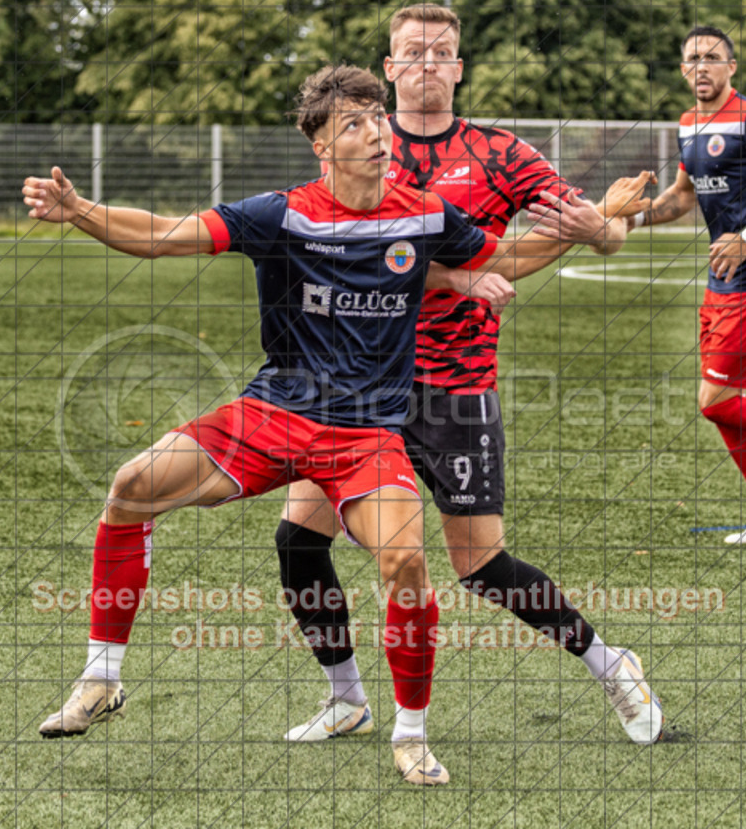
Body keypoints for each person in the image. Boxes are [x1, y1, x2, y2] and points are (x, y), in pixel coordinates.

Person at [28, 64, 523, 786]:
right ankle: (102, 679)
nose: (375, 132)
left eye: (376, 118)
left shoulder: (424, 213)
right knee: (131, 486)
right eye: (352, 123)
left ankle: (409, 733)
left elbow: (497, 255)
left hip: (365, 435)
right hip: (274, 412)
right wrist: (82, 210)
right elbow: (167, 235)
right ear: (321, 145)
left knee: (407, 563)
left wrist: (521, 253)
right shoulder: (283, 212)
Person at [275, 3, 664, 748]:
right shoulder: (362, 153)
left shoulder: (499, 152)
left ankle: (611, 662)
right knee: (298, 539)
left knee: (480, 565)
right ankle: (346, 696)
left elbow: (596, 230)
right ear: (388, 72)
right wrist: (473, 269)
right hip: (357, 389)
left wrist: (602, 226)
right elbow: (358, 263)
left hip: (455, 385)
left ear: (458, 67)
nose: (425, 62)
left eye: (440, 51)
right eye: (411, 51)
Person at [554, 25, 746, 546]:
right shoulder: (688, 125)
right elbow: (682, 197)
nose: (700, 67)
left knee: (717, 401)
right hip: (720, 283)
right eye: (691, 59)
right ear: (683, 70)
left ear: (732, 67)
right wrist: (633, 217)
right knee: (726, 400)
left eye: (711, 57)